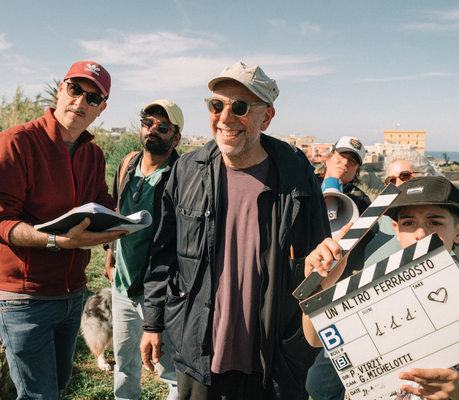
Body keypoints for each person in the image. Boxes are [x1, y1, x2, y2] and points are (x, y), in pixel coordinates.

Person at [140, 61, 330, 400]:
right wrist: (152, 322)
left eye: (239, 107)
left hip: (274, 358)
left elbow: (320, 254)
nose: (225, 118)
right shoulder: (186, 170)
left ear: (267, 117)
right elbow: (163, 252)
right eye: (217, 105)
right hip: (199, 349)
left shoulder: (296, 173)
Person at [0, 61, 126, 399]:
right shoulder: (15, 143)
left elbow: (103, 204)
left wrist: (129, 225)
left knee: (57, 387)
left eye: (93, 98)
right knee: (38, 395)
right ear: (61, 89)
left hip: (72, 295)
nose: (80, 102)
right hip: (22, 297)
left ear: (101, 109)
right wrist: (58, 241)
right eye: (75, 89)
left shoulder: (93, 154)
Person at [303, 176, 459, 400]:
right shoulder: (369, 287)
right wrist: (320, 288)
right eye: (409, 223)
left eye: (435, 222)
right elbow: (316, 339)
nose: (420, 233)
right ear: (396, 229)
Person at [105, 99, 182, 400]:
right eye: (148, 123)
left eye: (163, 127)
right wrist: (110, 258)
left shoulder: (180, 175)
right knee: (124, 363)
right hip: (122, 287)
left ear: (176, 137)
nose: (153, 130)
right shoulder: (127, 164)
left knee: (170, 370)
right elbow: (114, 212)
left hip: (161, 292)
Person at [306, 136, 372, 400]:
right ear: (328, 158)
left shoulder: (361, 200)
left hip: (333, 287)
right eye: (341, 157)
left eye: (353, 161)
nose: (345, 163)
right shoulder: (304, 185)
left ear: (357, 171)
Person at [363, 148, 440, 267]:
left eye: (405, 176)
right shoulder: (381, 212)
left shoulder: (442, 216)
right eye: (391, 180)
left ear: (426, 177)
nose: (398, 184)